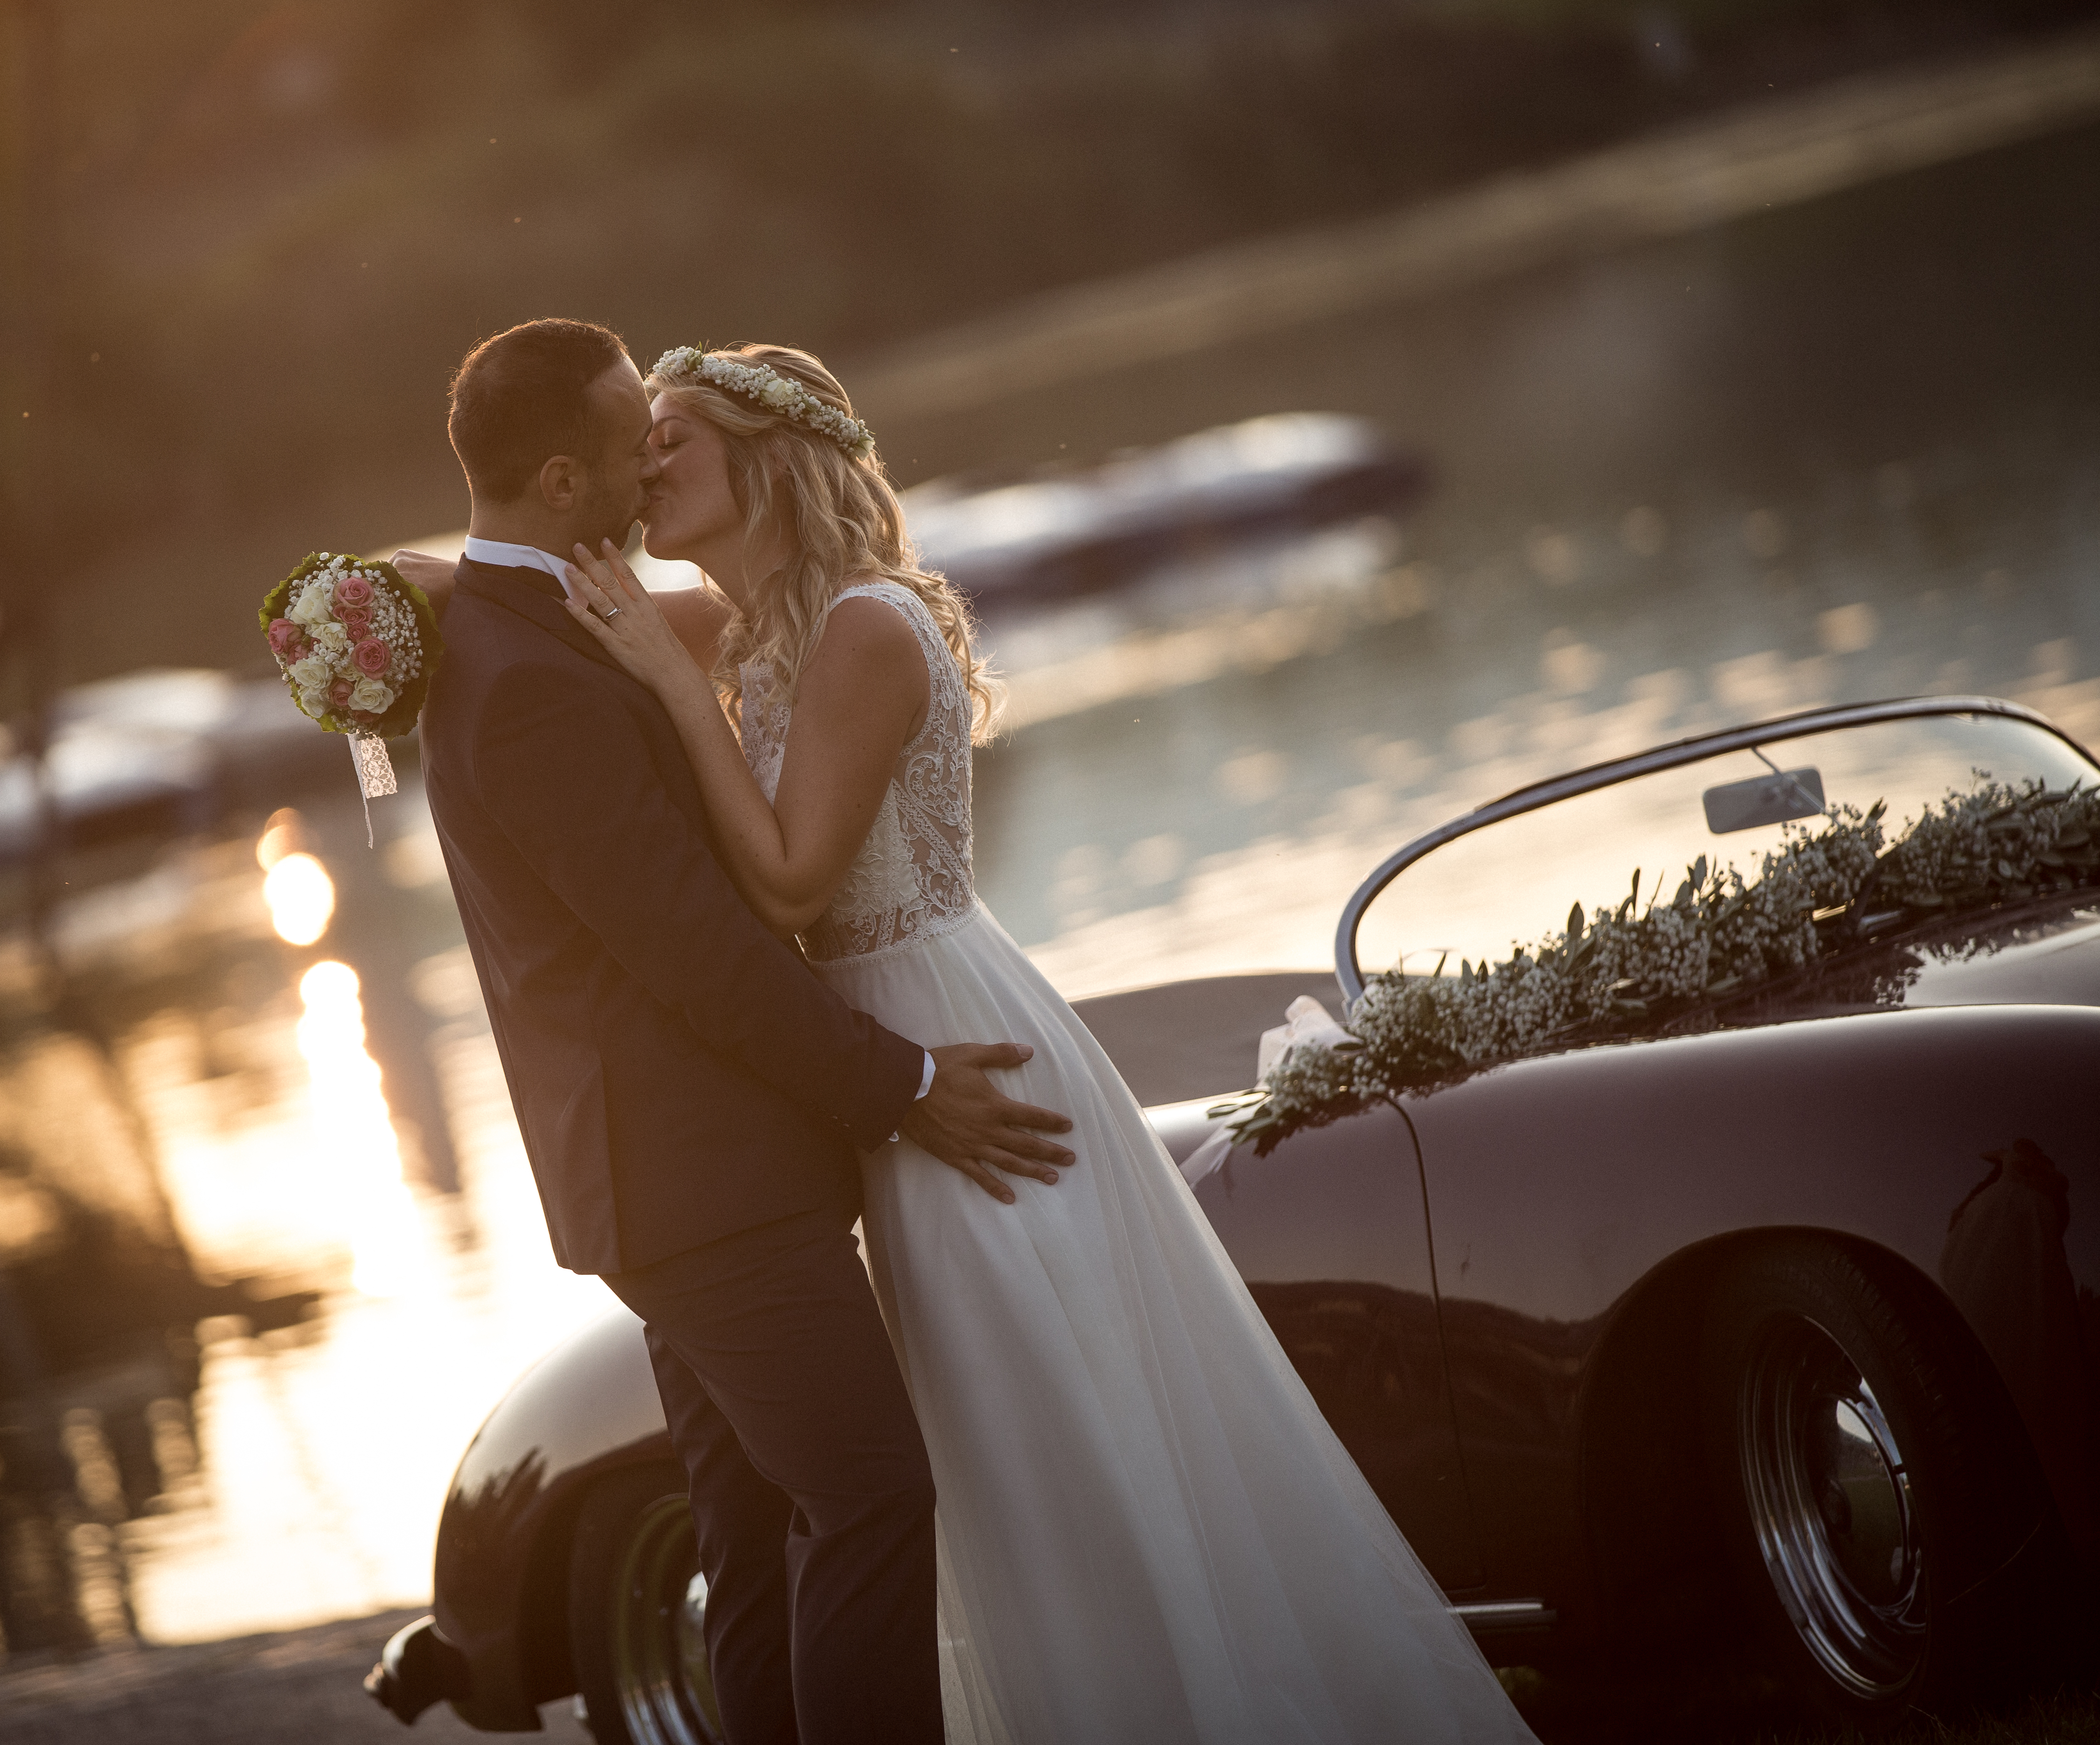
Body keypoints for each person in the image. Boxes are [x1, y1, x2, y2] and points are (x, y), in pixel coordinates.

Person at [548, 341, 1544, 1744]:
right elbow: (523, 588)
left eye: (672, 445)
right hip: (874, 1058)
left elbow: (788, 885)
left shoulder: (864, 631)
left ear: (770, 461)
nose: (645, 471)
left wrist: (660, 668)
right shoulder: (757, 629)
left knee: (1047, 1417)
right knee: (985, 1433)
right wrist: (358, 617)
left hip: (947, 1041)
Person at [411, 318, 1076, 1745]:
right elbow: (696, 951)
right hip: (700, 1186)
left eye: (671, 442)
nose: (649, 468)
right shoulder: (529, 677)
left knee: (760, 1528)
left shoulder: (531, 620)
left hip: (691, 1179)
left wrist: (368, 582)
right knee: (873, 1500)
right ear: (560, 482)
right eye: (627, 448)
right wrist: (897, 1088)